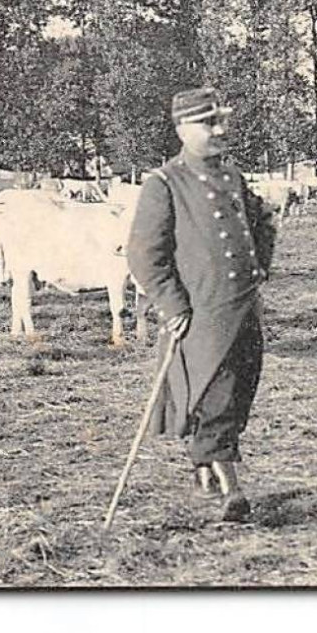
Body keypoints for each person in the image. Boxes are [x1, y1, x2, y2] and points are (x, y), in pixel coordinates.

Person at [125, 88, 276, 523]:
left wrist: (261, 266)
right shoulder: (164, 183)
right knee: (217, 395)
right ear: (181, 130)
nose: (220, 130)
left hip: (244, 308)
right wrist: (173, 306)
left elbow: (260, 221)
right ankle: (233, 490)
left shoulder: (231, 176)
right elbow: (144, 255)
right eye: (208, 124)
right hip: (201, 315)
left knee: (240, 390)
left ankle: (205, 462)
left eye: (221, 121)